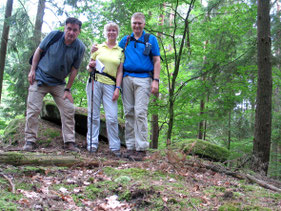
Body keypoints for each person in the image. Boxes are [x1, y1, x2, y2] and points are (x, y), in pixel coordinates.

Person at [23, 17, 86, 152]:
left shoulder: (80, 47)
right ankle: (30, 141)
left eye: (75, 30)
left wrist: (68, 89)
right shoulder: (54, 36)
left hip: (59, 84)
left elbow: (75, 69)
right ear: (65, 28)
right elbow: (39, 51)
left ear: (79, 32)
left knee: (68, 109)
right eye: (69, 29)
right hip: (40, 78)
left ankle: (69, 142)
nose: (71, 32)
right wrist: (32, 70)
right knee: (33, 109)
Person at [119, 12, 161, 160]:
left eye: (139, 23)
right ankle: (130, 147)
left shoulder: (151, 39)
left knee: (140, 112)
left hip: (144, 79)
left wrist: (156, 80)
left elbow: (156, 60)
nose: (137, 25)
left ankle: (141, 148)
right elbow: (115, 58)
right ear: (131, 24)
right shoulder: (125, 40)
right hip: (127, 78)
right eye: (134, 23)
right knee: (128, 112)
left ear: (143, 24)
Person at [87, 22, 124, 157]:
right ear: (105, 32)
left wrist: (117, 88)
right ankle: (92, 144)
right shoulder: (98, 47)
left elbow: (120, 72)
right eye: (109, 30)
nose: (111, 32)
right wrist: (90, 64)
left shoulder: (120, 51)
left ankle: (115, 147)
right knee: (93, 115)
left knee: (112, 117)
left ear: (117, 33)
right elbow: (89, 67)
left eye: (114, 30)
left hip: (110, 84)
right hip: (95, 81)